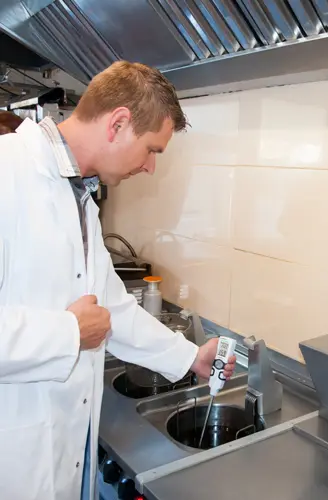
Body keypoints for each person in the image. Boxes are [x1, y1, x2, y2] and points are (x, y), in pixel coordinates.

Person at [0, 61, 236, 500]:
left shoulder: (78, 196)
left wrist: (190, 357)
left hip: (59, 461)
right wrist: (69, 333)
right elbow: (83, 326)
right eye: (151, 150)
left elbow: (113, 310)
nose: (150, 167)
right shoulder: (6, 174)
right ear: (118, 123)